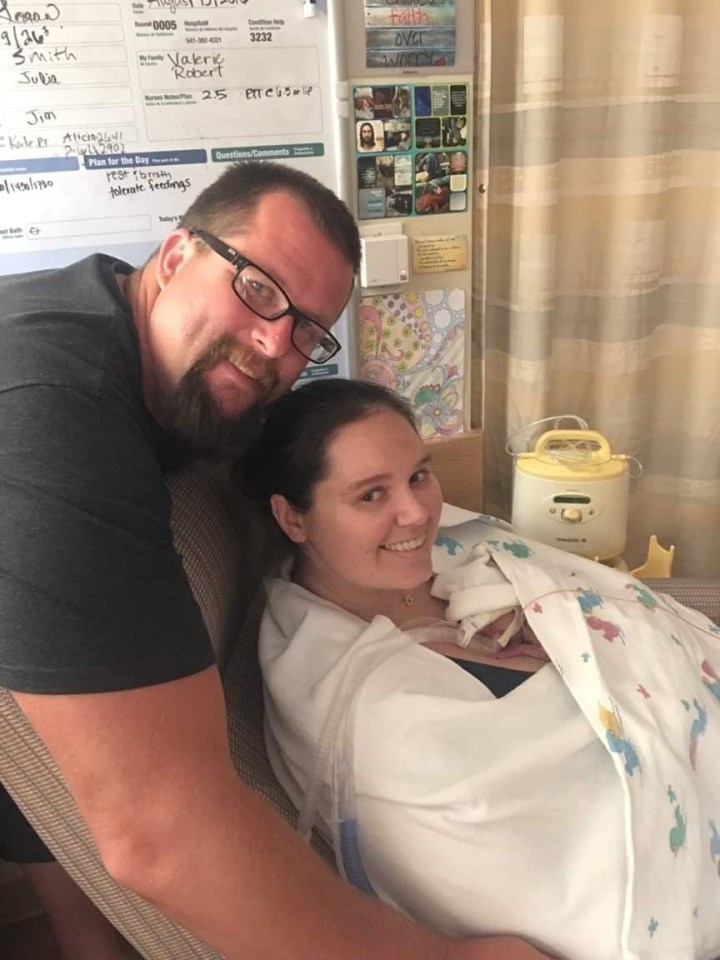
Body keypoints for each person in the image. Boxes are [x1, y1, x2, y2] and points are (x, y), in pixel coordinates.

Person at [0, 162, 551, 960]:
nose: (272, 343)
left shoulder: (162, 356)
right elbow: (159, 830)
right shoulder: (52, 418)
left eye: (307, 331)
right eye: (258, 289)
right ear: (178, 255)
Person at [242, 378, 720, 960]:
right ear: (294, 519)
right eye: (371, 495)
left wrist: (559, 632)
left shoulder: (464, 551)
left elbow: (608, 608)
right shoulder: (366, 713)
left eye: (419, 475)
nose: (416, 513)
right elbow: (527, 857)